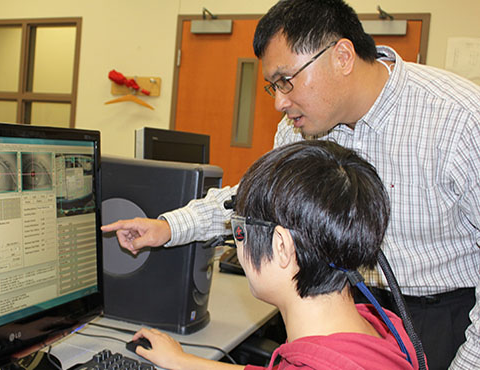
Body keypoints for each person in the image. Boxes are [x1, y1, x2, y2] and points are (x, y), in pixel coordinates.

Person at [102, 0, 480, 368]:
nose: (280, 103)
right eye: (272, 86)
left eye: (286, 81)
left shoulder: (458, 121)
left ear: (342, 56)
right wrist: (168, 227)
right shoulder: (300, 126)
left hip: (446, 317)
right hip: (352, 307)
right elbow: (255, 201)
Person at [127, 140, 420, 369]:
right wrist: (183, 362)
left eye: (239, 232)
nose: (238, 247)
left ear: (281, 246)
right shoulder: (374, 327)